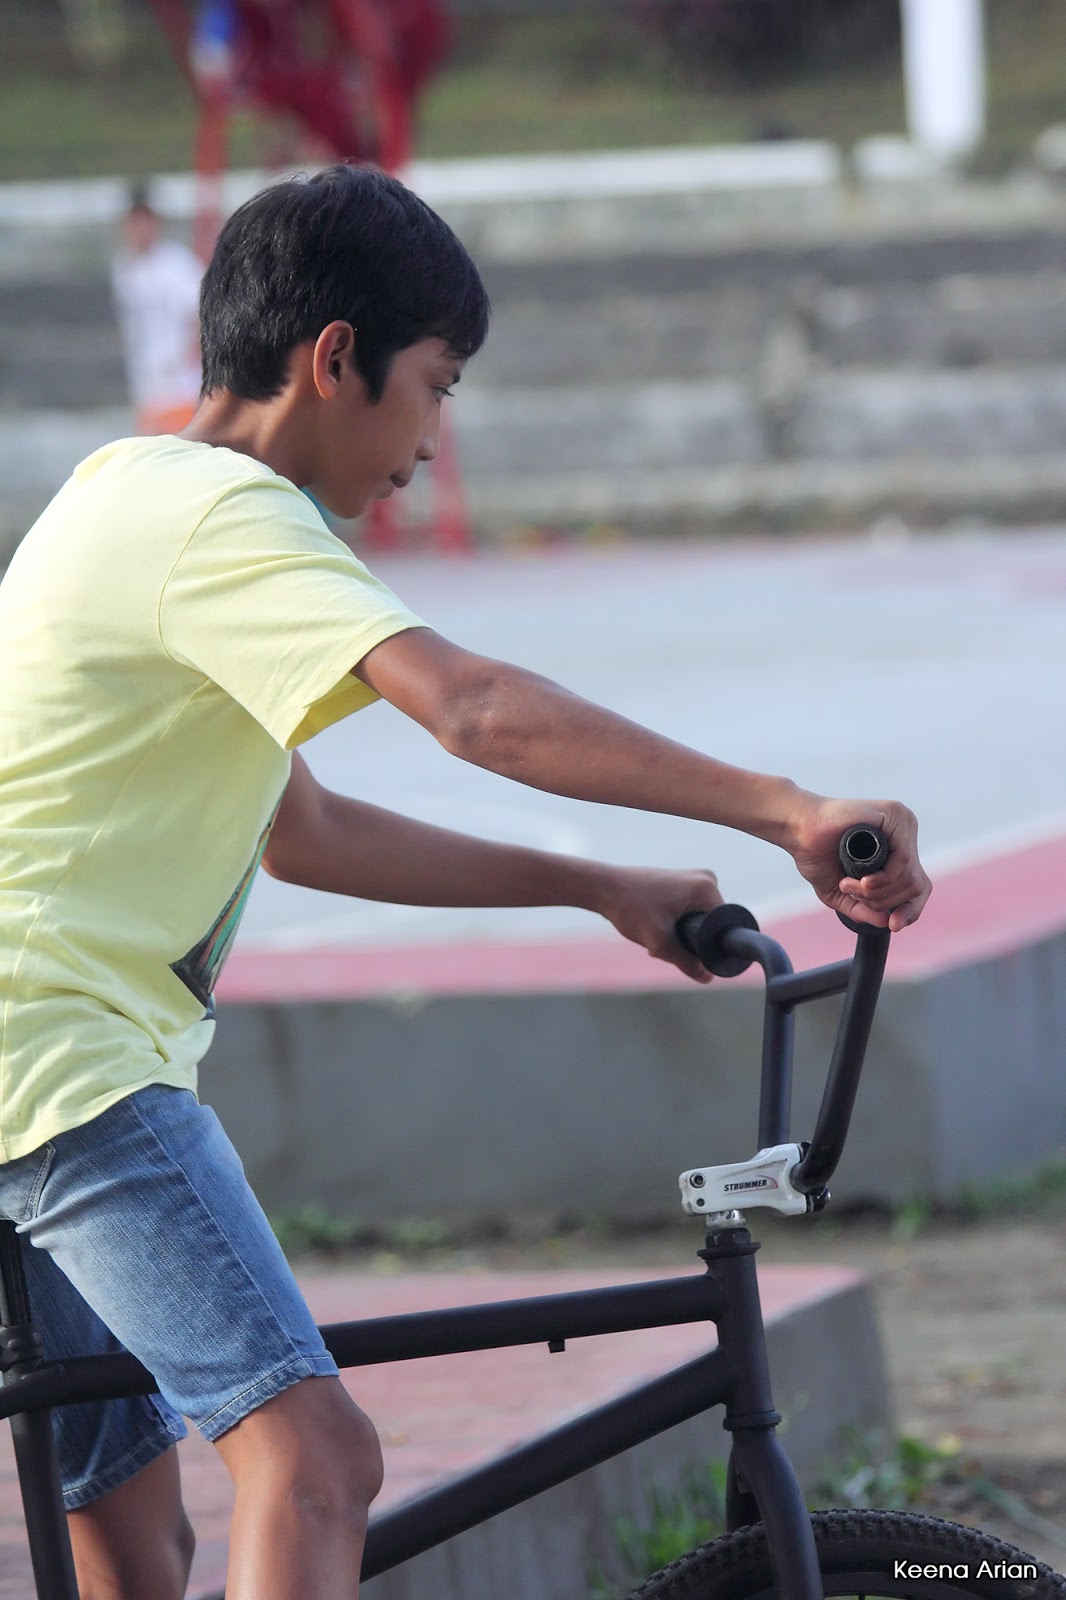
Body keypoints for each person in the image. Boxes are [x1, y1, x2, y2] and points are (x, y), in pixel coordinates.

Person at [0, 163, 931, 1600]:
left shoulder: (133, 498)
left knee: (135, 1547)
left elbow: (302, 828)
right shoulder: (218, 515)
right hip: (63, 1064)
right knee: (317, 1463)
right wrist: (786, 809)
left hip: (34, 1066)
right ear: (334, 360)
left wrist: (595, 887)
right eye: (434, 387)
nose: (432, 443)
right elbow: (475, 707)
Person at [111, 182, 204, 436]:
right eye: (134, 221)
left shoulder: (177, 264)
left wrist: (190, 355)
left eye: (146, 220)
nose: (140, 228)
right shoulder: (124, 268)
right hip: (147, 390)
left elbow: (203, 310)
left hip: (180, 388)